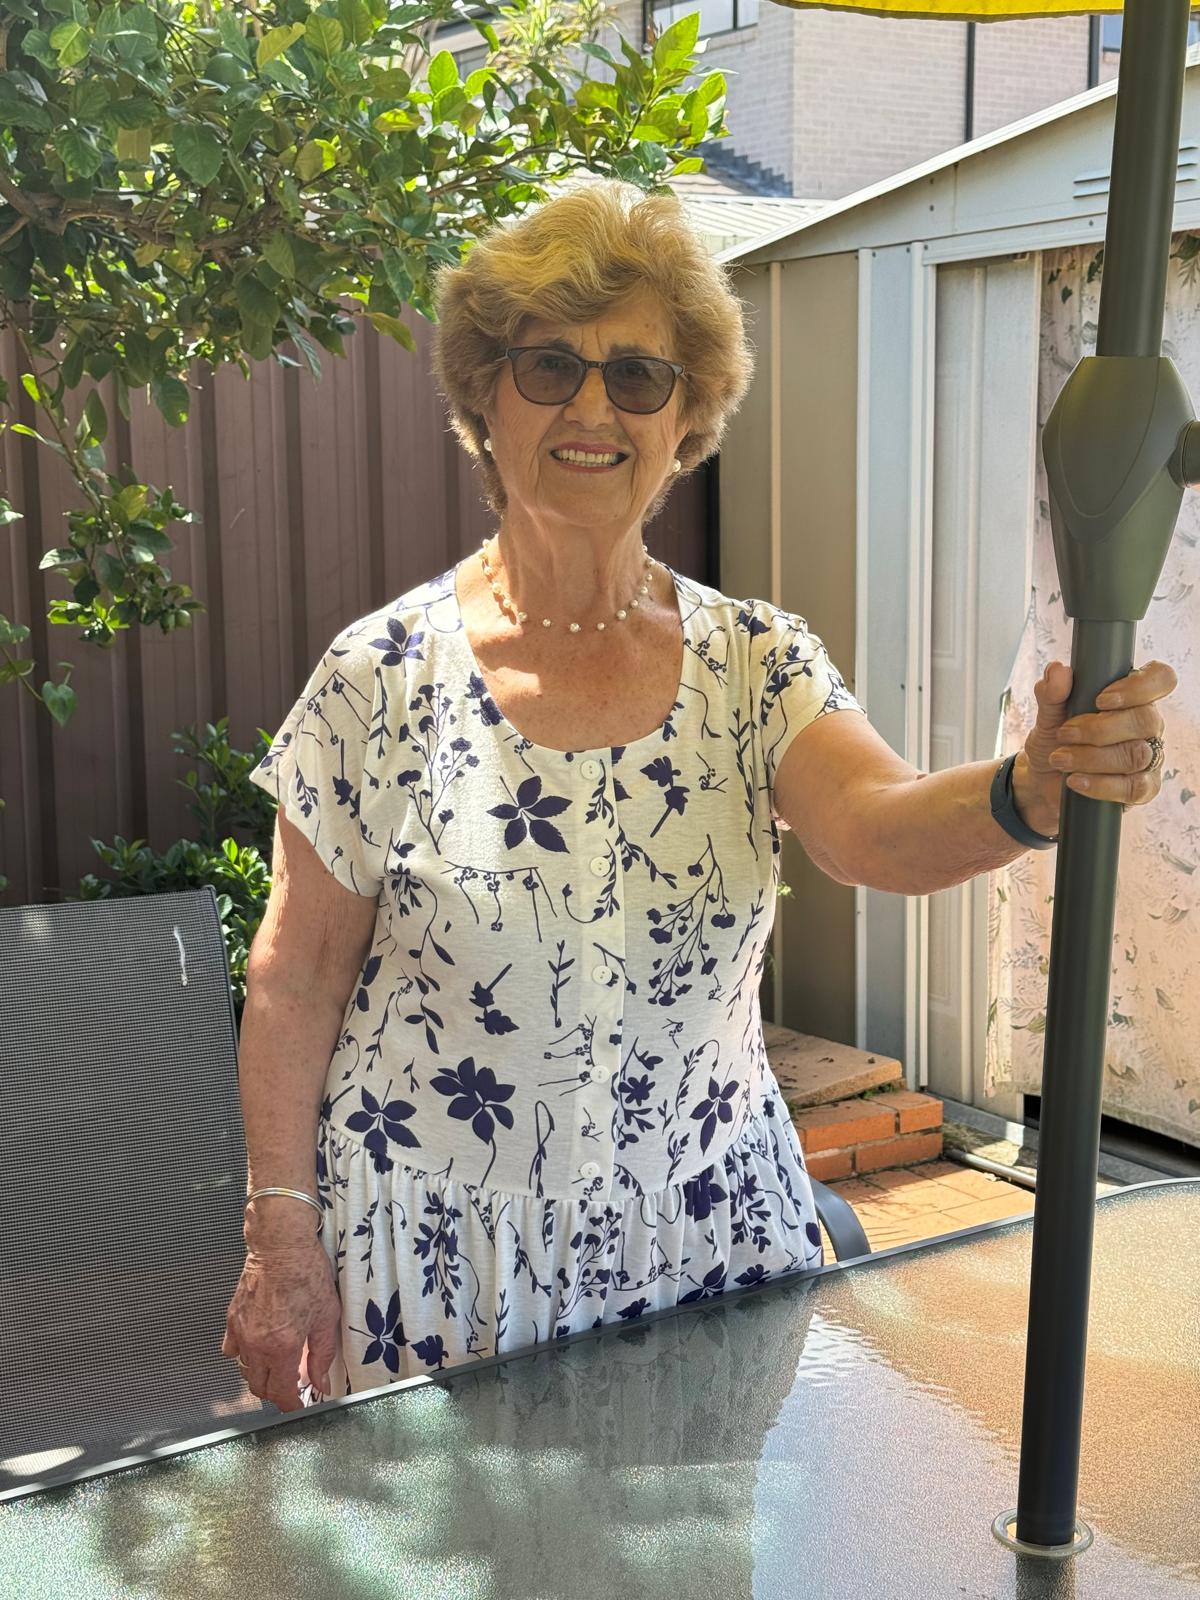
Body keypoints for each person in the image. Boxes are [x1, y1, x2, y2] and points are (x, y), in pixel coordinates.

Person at [223, 178, 1175, 1411]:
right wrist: (279, 1239)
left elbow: (875, 823)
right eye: (548, 365)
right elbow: (294, 978)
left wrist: (1026, 790)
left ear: (688, 421)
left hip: (705, 1239)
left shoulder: (754, 664)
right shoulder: (378, 680)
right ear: (483, 398)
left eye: (638, 376)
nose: (591, 407)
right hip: (443, 1255)